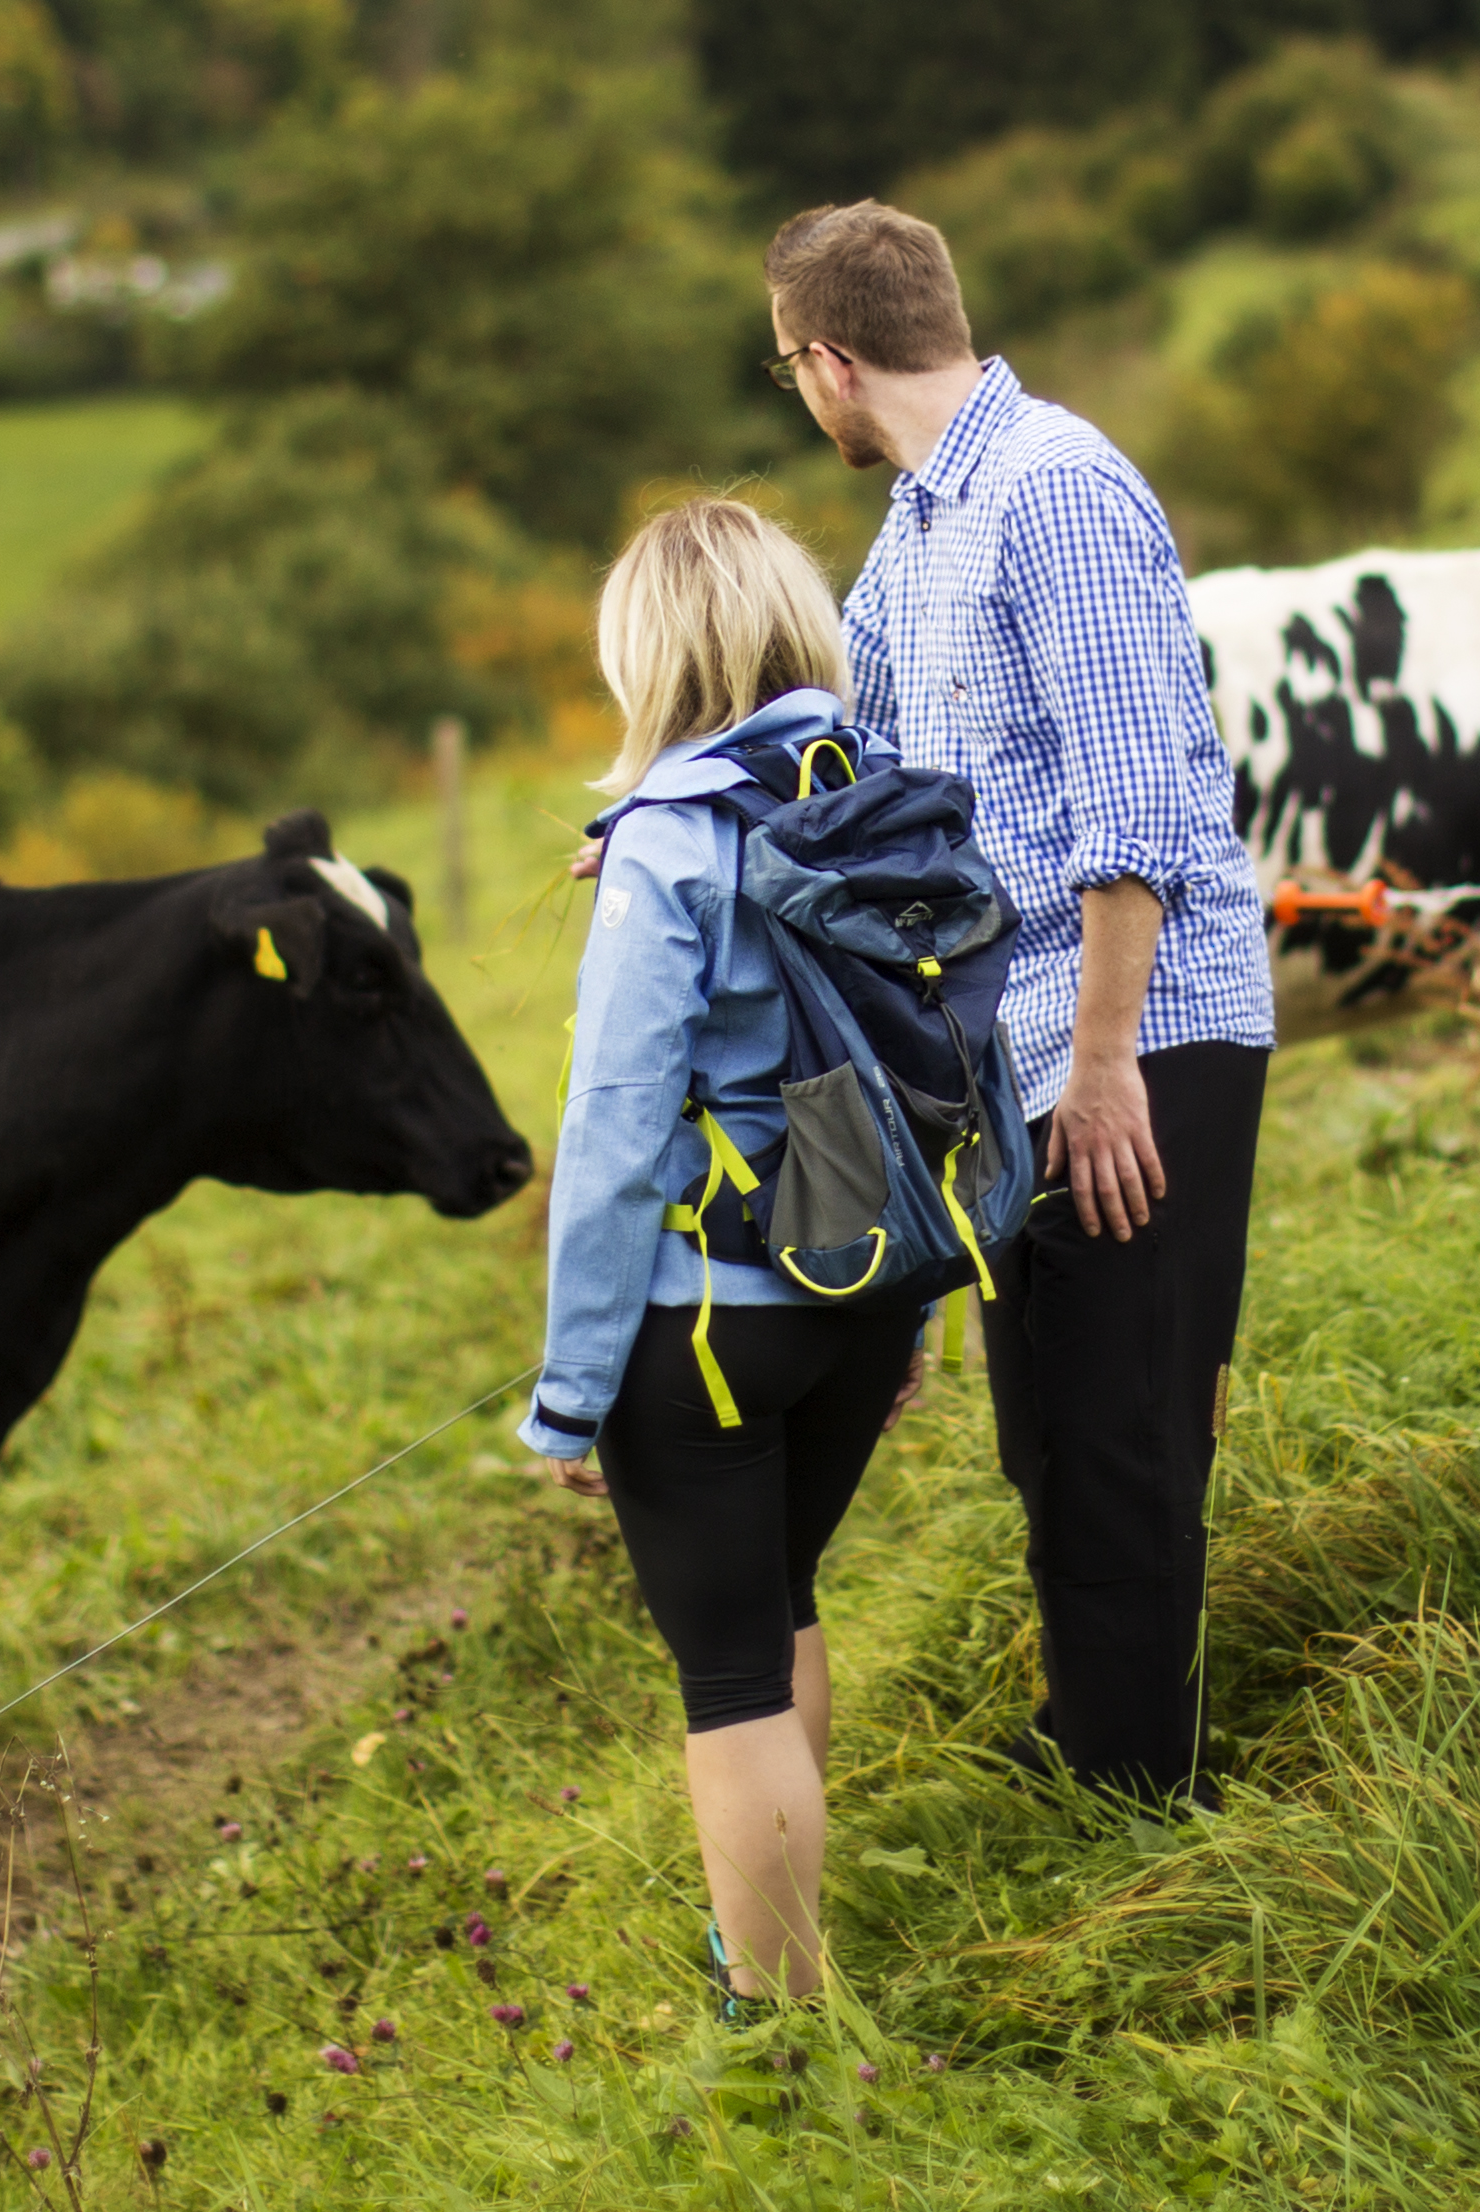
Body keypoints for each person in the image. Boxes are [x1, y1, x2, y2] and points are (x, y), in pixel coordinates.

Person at [763, 200, 1271, 1805]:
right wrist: (662, 824)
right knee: (1045, 1432)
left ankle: (1148, 1799)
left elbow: (1136, 806)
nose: (803, 395)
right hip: (1010, 1054)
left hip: (1142, 1031)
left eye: (789, 370)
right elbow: (845, 763)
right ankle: (1098, 1743)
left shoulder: (1054, 489)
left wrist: (1109, 1064)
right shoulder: (915, 536)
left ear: (829, 362)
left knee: (1124, 1431)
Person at [516, 495, 931, 2015]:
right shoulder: (880, 795)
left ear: (647, 654)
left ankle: (775, 2015)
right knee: (785, 1600)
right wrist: (911, 1321)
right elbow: (913, 1066)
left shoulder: (669, 839)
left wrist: (571, 1394)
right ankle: (782, 1951)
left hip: (706, 1323)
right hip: (861, 1291)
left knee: (732, 1679)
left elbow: (616, 1133)